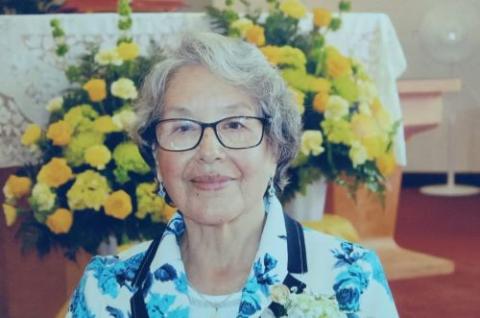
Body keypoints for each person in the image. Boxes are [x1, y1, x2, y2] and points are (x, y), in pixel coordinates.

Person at [67, 32, 398, 318]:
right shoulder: (105, 289)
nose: (209, 151)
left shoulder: (351, 276)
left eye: (235, 124)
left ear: (275, 147)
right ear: (156, 155)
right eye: (182, 127)